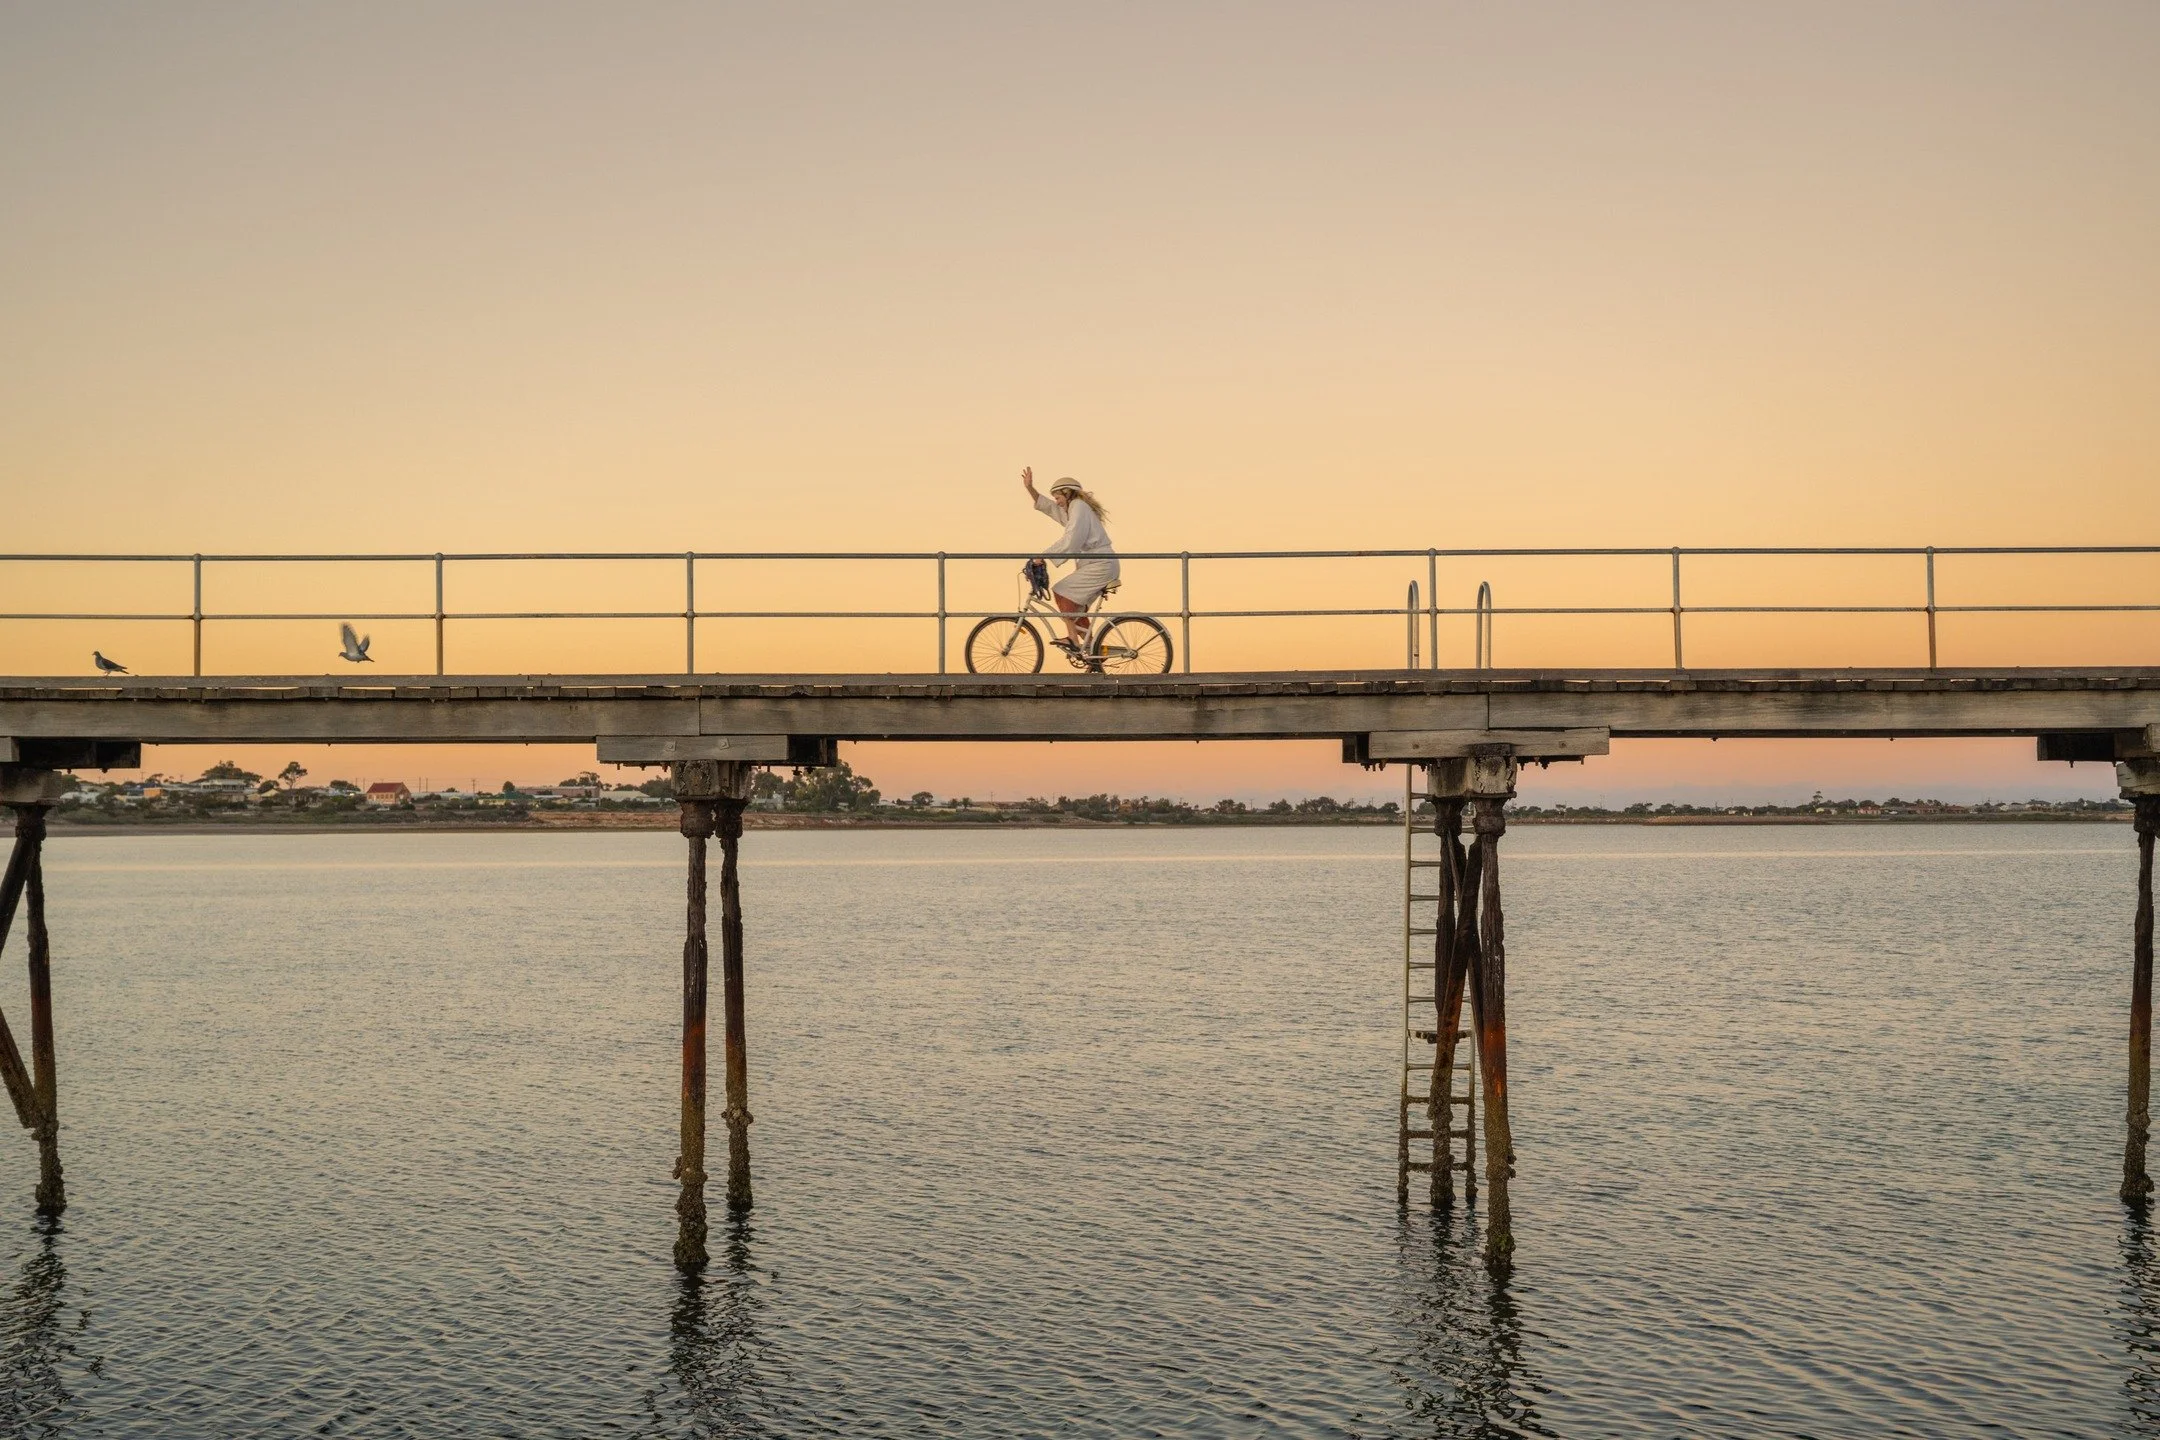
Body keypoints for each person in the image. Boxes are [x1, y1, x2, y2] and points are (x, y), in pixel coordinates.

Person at [1020, 467, 1120, 652]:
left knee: (1061, 591)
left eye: (1058, 498)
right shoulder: (1073, 509)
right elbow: (1048, 507)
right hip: (1096, 564)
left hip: (1100, 565)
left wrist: (1043, 557)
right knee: (1074, 607)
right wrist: (1030, 488)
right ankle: (1091, 648)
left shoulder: (1079, 507)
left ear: (1067, 494)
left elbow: (1072, 539)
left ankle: (1074, 639)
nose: (1057, 502)